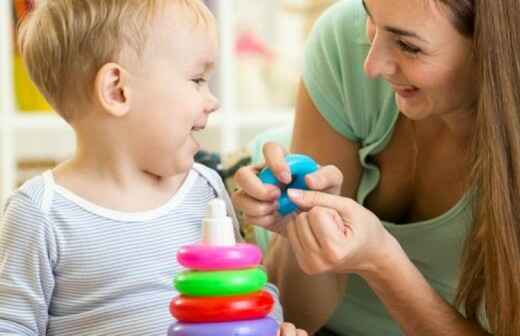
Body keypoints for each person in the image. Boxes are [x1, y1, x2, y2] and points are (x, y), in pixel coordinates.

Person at [0, 1, 307, 335]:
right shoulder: (40, 212)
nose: (212, 100)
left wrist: (272, 326)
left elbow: (242, 293)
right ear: (117, 90)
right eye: (197, 79)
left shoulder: (206, 188)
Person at [233, 0, 520, 335]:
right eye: (370, 17)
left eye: (409, 46)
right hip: (253, 263)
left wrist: (382, 262)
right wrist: (302, 230)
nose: (371, 65)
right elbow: (293, 317)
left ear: (494, 50)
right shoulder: (345, 38)